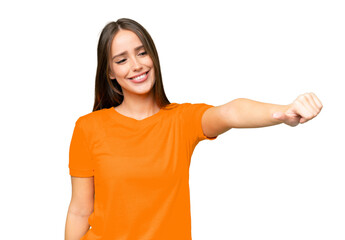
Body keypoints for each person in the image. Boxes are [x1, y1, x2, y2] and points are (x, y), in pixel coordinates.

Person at [64, 18, 323, 240]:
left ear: (153, 56)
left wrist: (283, 111)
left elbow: (230, 112)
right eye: (122, 60)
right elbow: (79, 210)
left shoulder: (181, 120)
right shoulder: (89, 127)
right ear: (109, 71)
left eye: (142, 53)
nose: (136, 65)